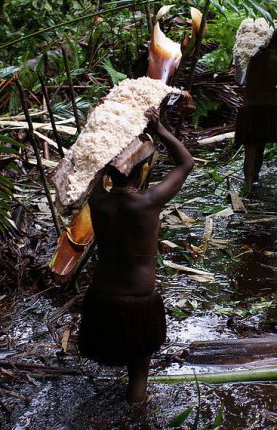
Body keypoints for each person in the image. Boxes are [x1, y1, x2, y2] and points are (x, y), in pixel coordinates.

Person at [78, 107, 194, 404]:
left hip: (102, 295)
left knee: (111, 348)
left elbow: (93, 172)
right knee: (139, 371)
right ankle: (136, 410)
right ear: (142, 170)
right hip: (139, 299)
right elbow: (185, 163)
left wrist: (105, 158)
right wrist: (161, 130)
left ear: (110, 171)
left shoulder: (98, 199)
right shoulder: (149, 201)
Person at [236, 27, 277, 192]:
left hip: (249, 107)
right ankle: (254, 179)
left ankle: (247, 184)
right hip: (267, 107)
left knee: (250, 150)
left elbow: (246, 80)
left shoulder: (255, 56)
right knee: (260, 147)